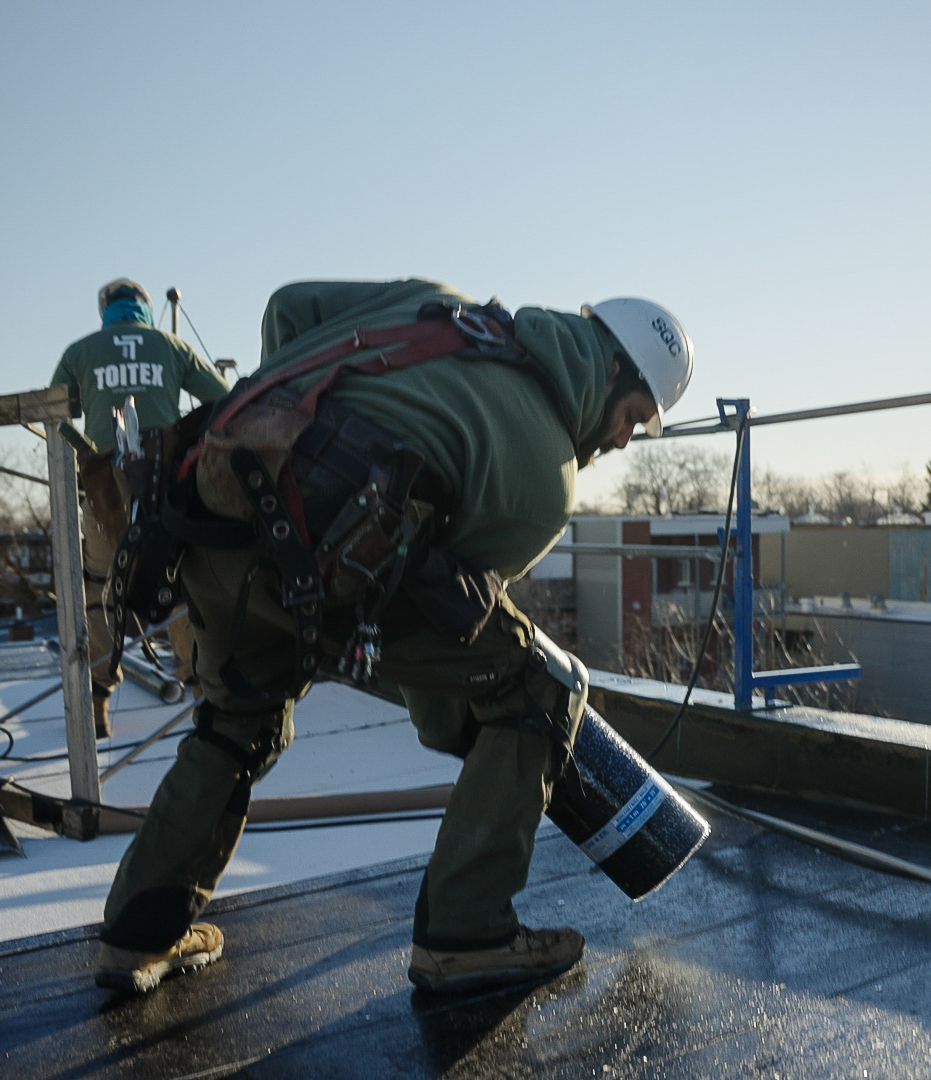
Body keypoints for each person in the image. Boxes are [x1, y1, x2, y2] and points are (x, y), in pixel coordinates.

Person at [95, 277, 694, 994]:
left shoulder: (437, 304)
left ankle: (139, 937)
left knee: (238, 718)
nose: (626, 438)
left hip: (208, 509)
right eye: (636, 416)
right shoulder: (546, 480)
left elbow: (291, 308)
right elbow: (450, 639)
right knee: (537, 689)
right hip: (310, 563)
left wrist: (301, 434)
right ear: (612, 374)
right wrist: (477, 739)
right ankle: (466, 937)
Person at [52, 278, 232, 735]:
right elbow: (223, 400)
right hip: (169, 485)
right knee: (184, 583)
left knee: (99, 589)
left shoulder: (79, 352)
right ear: (146, 309)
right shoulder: (172, 346)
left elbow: (53, 411)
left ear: (105, 310)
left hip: (104, 489)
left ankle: (97, 701)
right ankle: (201, 695)